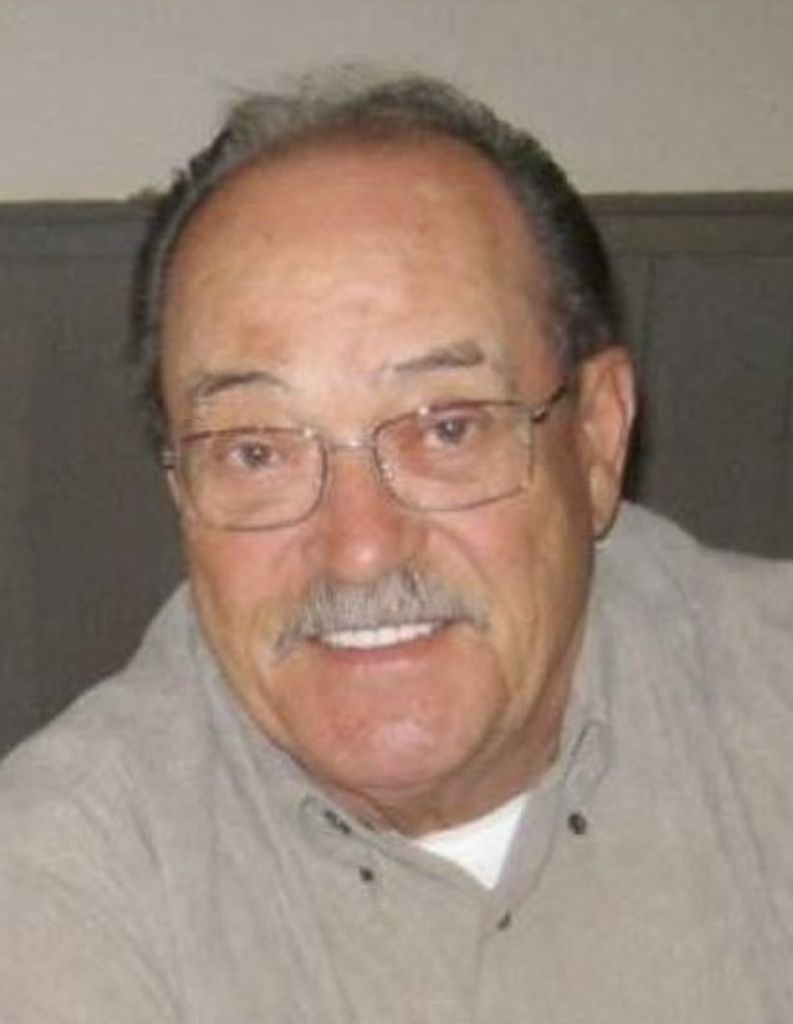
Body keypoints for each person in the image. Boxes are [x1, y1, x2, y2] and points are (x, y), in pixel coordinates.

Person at [1, 70, 791, 1024]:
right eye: (256, 450)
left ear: (594, 439)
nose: (360, 549)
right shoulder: (62, 877)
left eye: (446, 428)